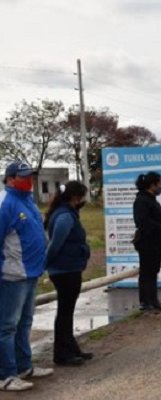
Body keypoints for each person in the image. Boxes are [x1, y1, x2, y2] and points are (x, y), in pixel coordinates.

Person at [0, 161, 53, 392]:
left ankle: (23, 366)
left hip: (32, 273)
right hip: (13, 276)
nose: (28, 180)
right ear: (10, 179)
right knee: (7, 326)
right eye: (23, 176)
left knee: (25, 323)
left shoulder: (28, 200)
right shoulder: (5, 204)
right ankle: (6, 375)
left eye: (30, 176)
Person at [44, 181, 92, 366]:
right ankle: (62, 354)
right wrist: (45, 264)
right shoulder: (65, 216)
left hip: (68, 268)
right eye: (82, 196)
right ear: (74, 197)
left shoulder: (66, 213)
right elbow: (55, 245)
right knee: (65, 312)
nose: (83, 200)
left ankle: (71, 348)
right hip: (65, 270)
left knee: (67, 312)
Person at [132, 172, 161, 312]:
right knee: (146, 272)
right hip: (146, 241)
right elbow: (142, 221)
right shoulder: (141, 200)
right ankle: (145, 302)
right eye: (159, 184)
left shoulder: (151, 199)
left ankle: (154, 301)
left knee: (153, 271)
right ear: (152, 185)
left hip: (156, 241)